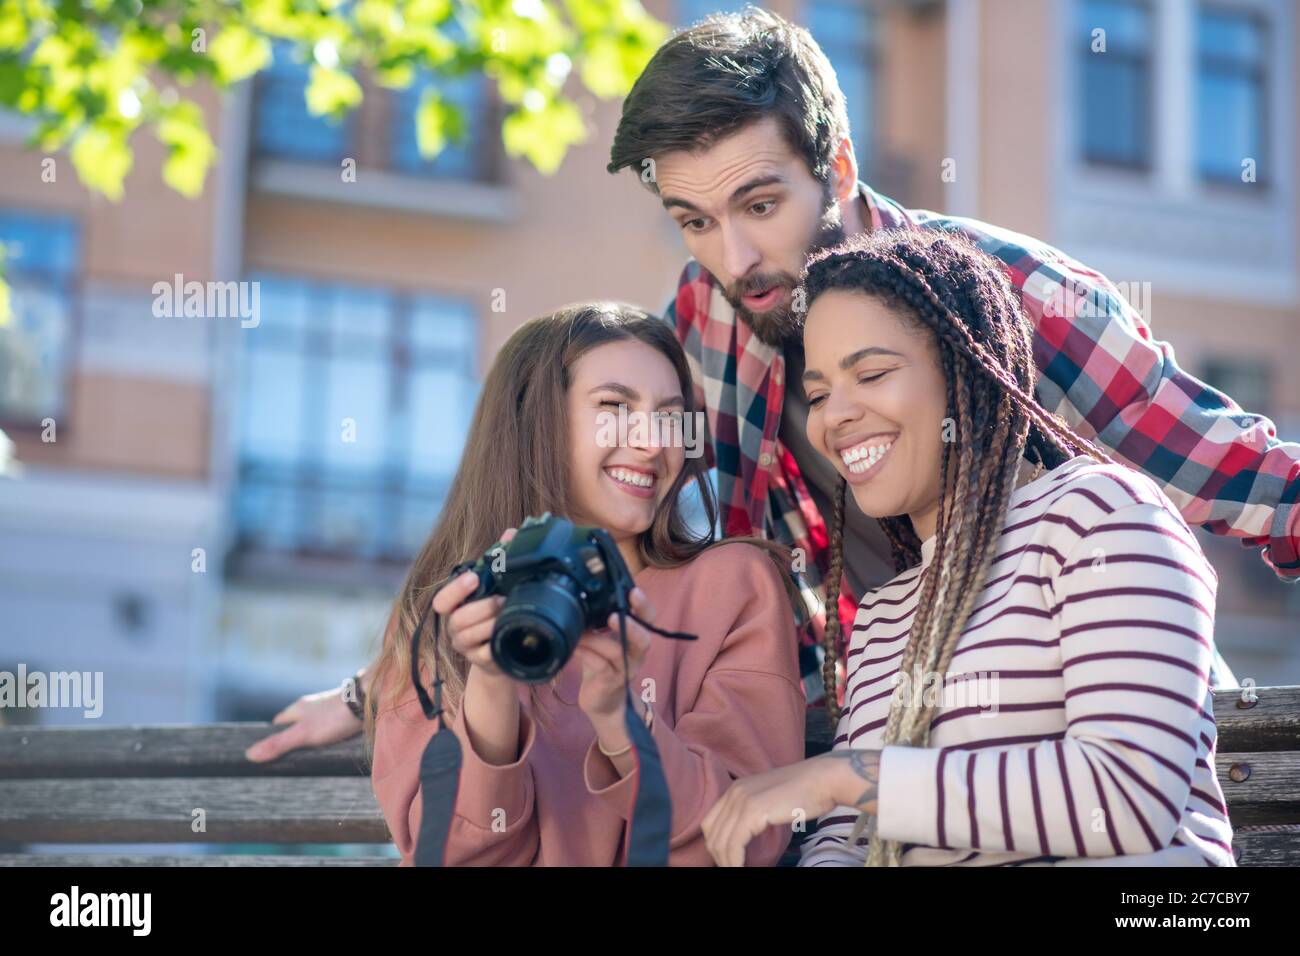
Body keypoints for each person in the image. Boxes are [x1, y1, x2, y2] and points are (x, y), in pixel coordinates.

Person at [250, 6, 1297, 761]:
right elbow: (574, 517)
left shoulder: (1011, 293)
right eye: (695, 220)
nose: (736, 254)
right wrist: (378, 681)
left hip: (1078, 738)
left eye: (760, 202)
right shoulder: (703, 322)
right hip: (853, 748)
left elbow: (1233, 469)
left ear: (835, 171)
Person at [700, 229, 1233, 867]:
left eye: (870, 373)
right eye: (817, 395)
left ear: (964, 369)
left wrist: (846, 778)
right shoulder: (883, 614)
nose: (832, 417)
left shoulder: (1099, 517)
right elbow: (847, 841)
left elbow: (1127, 795)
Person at [366, 303, 806, 865]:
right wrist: (494, 687)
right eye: (614, 407)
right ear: (535, 423)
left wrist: (621, 720)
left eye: (671, 417)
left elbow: (743, 837)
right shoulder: (444, 612)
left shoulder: (733, 585)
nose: (653, 443)